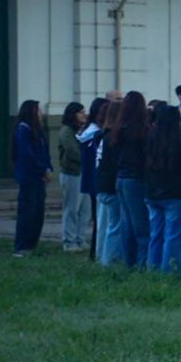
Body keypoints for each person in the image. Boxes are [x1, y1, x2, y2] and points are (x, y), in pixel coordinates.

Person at [144, 105, 181, 275]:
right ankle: (173, 270)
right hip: (176, 194)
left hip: (153, 192)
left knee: (156, 234)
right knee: (175, 235)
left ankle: (153, 267)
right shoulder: (179, 143)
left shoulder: (150, 139)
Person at [113, 91, 151, 269]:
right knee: (141, 227)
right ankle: (142, 264)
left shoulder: (119, 128)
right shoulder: (141, 130)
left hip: (121, 177)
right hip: (135, 179)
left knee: (127, 225)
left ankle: (129, 263)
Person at [12, 100, 52, 257]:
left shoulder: (37, 131)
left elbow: (44, 151)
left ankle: (32, 244)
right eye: (38, 111)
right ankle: (22, 245)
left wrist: (48, 168)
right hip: (29, 176)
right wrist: (42, 169)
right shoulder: (23, 130)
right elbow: (28, 154)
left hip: (39, 177)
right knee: (27, 211)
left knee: (38, 212)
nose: (41, 114)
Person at [57, 101, 90, 252]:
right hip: (72, 173)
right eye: (81, 112)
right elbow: (72, 150)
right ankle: (69, 241)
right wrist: (86, 157)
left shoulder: (83, 129)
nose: (84, 115)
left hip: (84, 173)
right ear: (73, 114)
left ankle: (80, 238)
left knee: (85, 209)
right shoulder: (66, 131)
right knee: (72, 208)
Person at [78, 98, 107, 260]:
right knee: (99, 220)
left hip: (94, 179)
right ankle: (96, 253)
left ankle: (95, 252)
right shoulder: (93, 133)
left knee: (99, 219)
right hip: (95, 180)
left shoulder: (93, 132)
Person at [96, 101, 123, 266]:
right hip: (111, 185)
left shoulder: (103, 134)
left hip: (102, 184)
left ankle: (103, 256)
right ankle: (109, 261)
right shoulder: (113, 136)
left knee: (106, 225)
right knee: (115, 226)